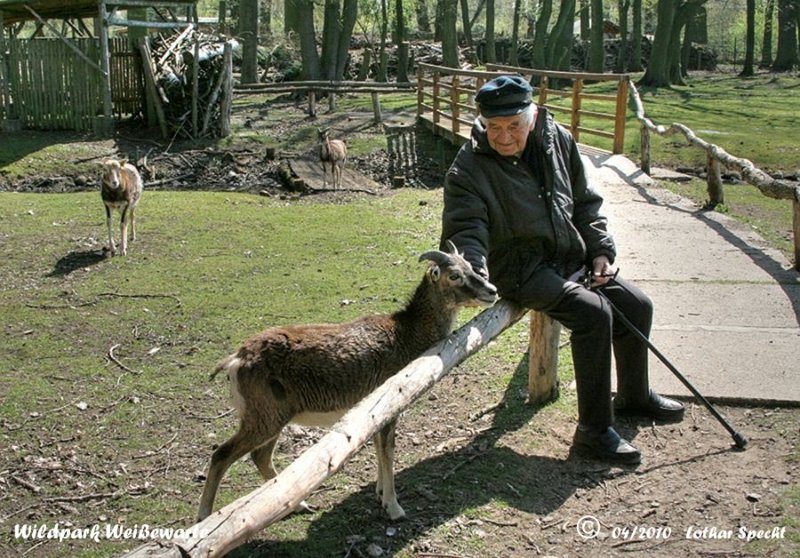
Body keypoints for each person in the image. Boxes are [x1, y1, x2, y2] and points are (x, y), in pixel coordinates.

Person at [440, 75, 684, 464]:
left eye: (513, 126)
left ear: (532, 117)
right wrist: (474, 273)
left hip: (568, 255)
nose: (503, 137)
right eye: (494, 127)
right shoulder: (468, 167)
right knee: (593, 313)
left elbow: (585, 202)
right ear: (483, 122)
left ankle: (634, 396)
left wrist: (600, 251)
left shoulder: (558, 138)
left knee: (637, 305)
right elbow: (466, 229)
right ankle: (593, 431)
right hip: (518, 267)